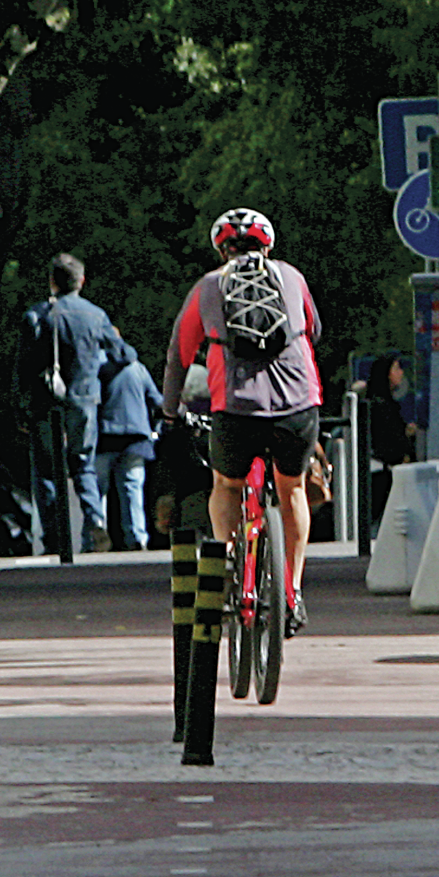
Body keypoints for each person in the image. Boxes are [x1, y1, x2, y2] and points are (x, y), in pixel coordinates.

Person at [160, 207, 321, 634]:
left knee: (226, 485)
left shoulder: (209, 286)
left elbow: (179, 354)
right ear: (267, 245)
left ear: (221, 249)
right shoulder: (292, 277)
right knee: (293, 489)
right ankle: (293, 590)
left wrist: (171, 412)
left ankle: (233, 569)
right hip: (298, 405)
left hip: (234, 410)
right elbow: (314, 329)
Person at [20, 253, 125, 554]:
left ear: (52, 282)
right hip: (84, 400)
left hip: (45, 403)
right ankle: (94, 520)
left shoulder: (37, 315)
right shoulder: (95, 316)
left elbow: (23, 367)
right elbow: (123, 355)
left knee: (45, 469)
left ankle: (53, 535)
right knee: (83, 464)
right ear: (81, 281)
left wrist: (22, 405)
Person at [94, 336, 162, 551]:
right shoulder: (138, 368)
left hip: (103, 438)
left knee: (97, 491)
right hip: (136, 439)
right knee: (132, 489)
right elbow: (158, 402)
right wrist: (155, 432)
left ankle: (98, 539)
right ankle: (137, 538)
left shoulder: (96, 367)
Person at [365, 352, 417, 525]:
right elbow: (389, 441)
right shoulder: (382, 406)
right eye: (397, 368)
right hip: (383, 476)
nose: (401, 372)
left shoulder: (381, 403)